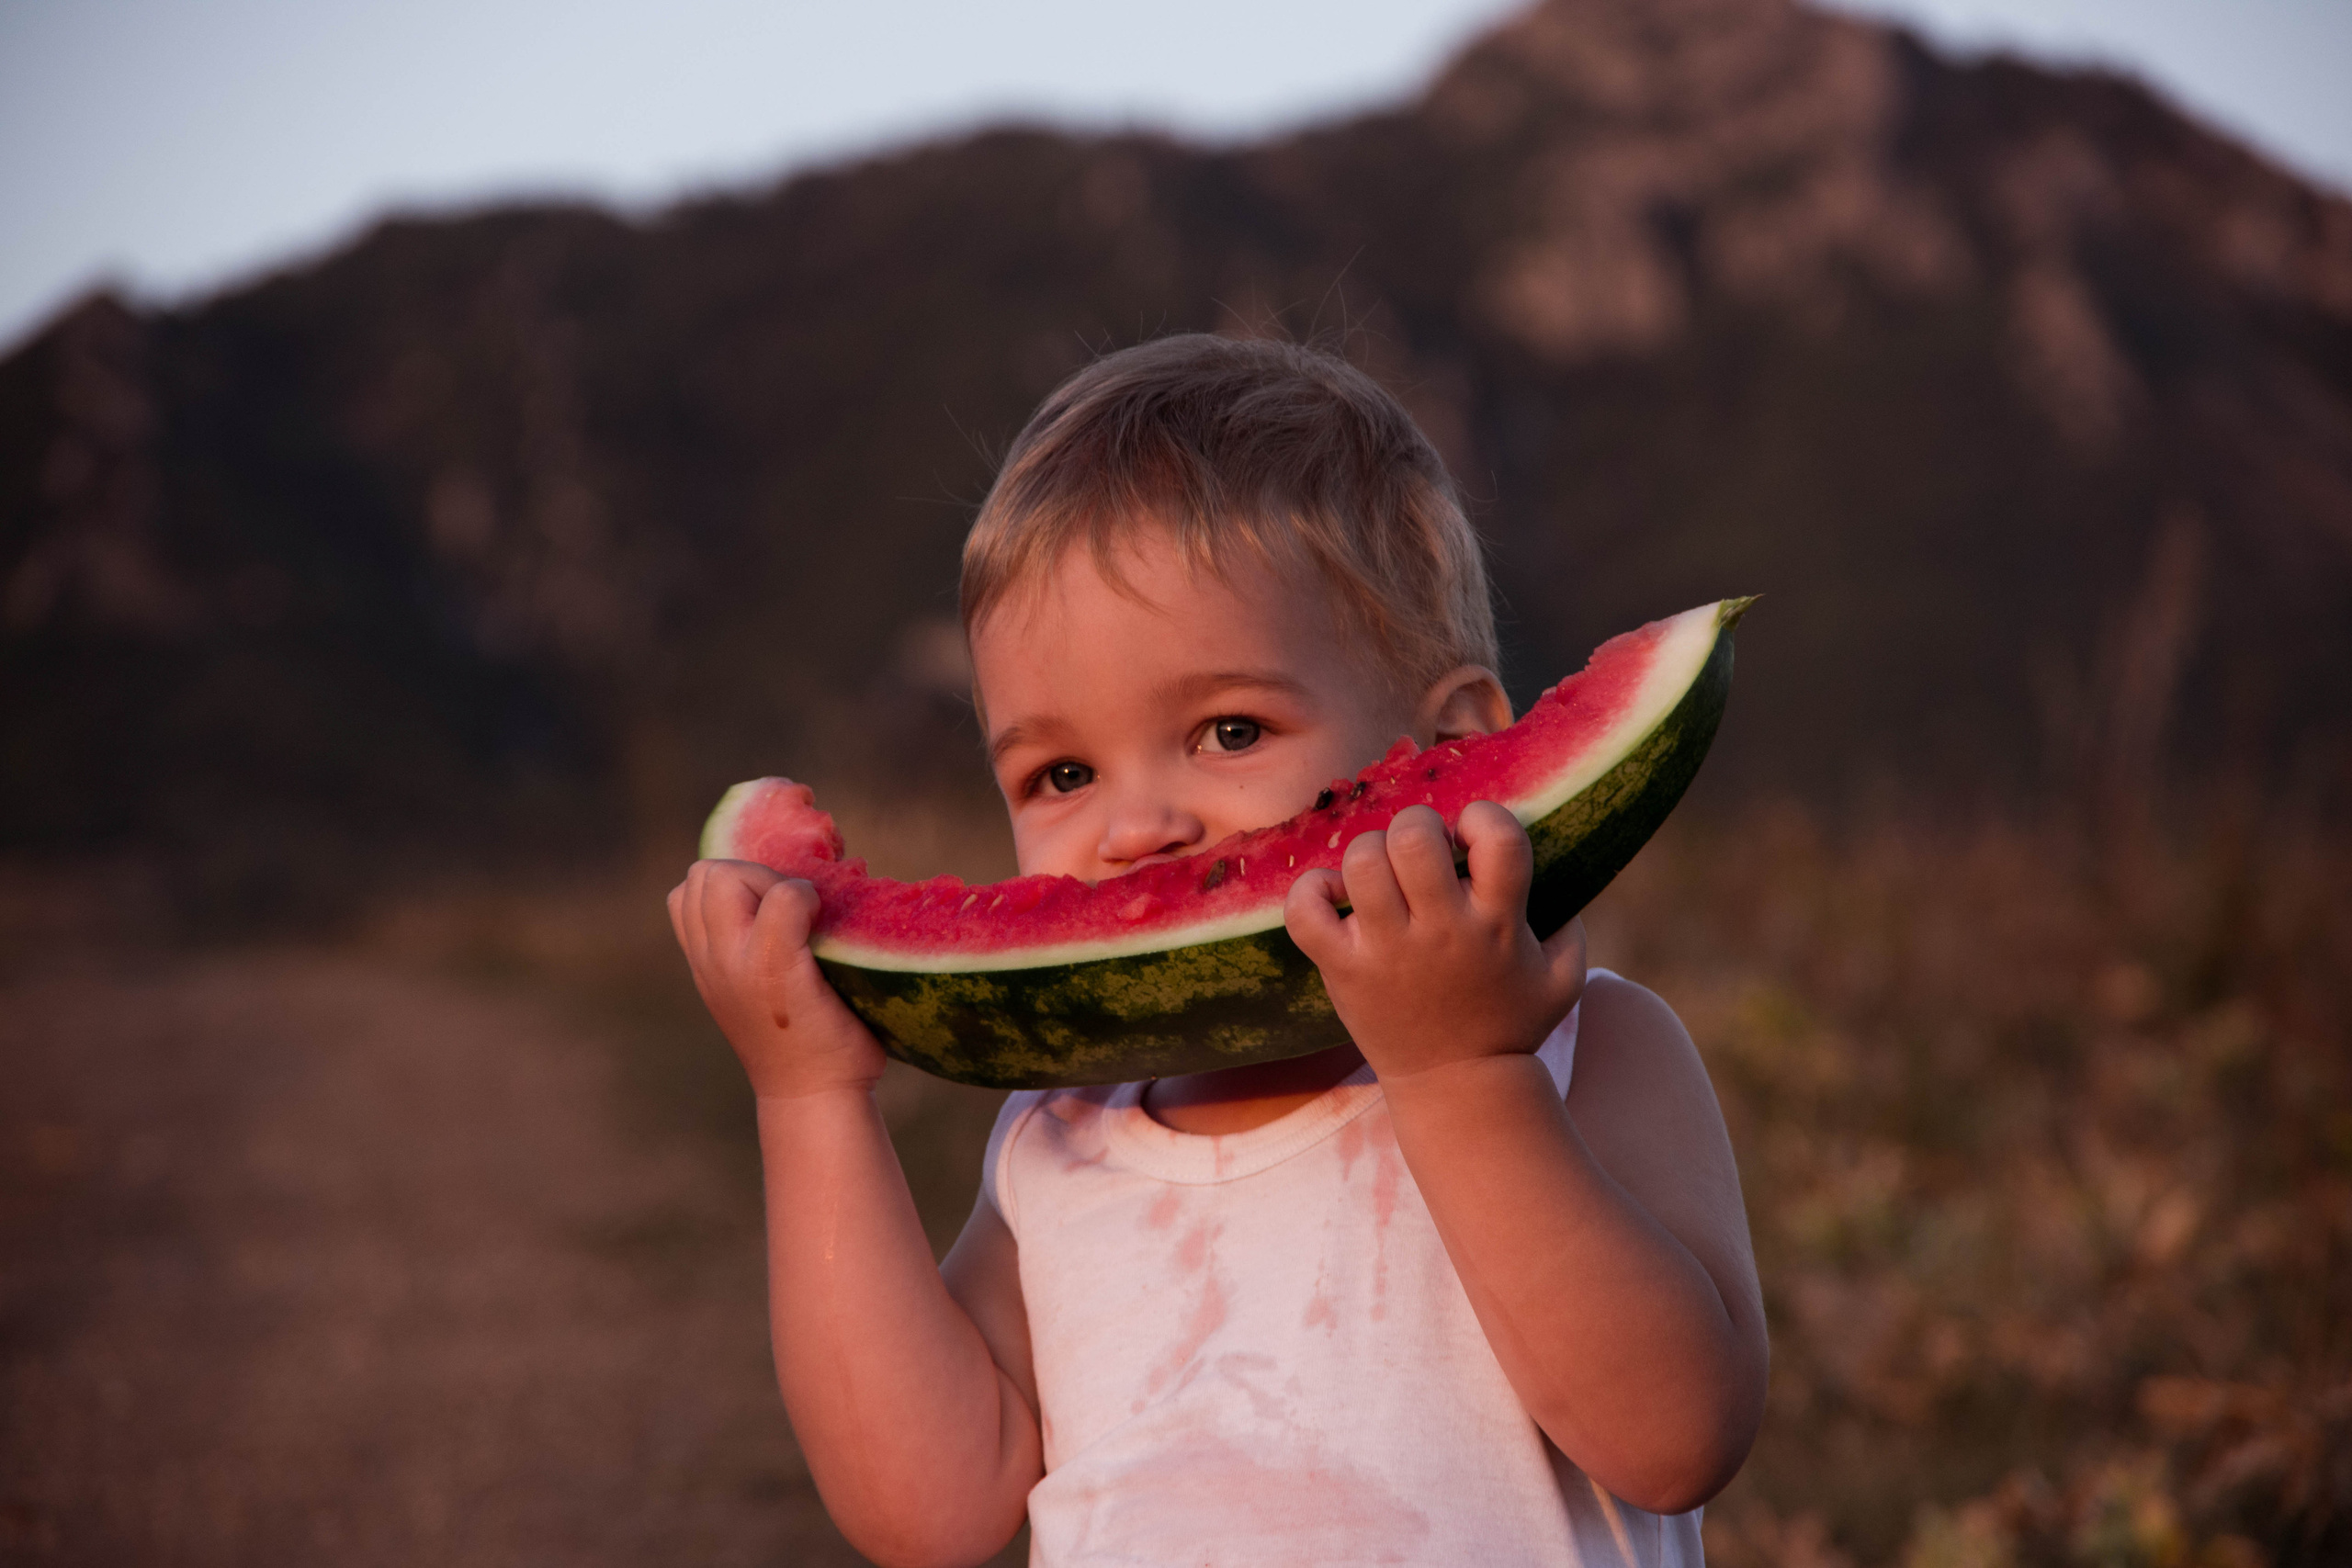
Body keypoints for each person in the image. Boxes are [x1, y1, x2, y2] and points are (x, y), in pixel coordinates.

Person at [668, 334, 1766, 1567]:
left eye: (1228, 730)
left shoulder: (1590, 1047)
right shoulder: (1062, 1138)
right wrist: (809, 1099)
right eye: (1061, 773)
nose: (1137, 827)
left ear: (1451, 748)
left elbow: (1678, 1435)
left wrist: (1464, 1072)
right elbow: (926, 1511)